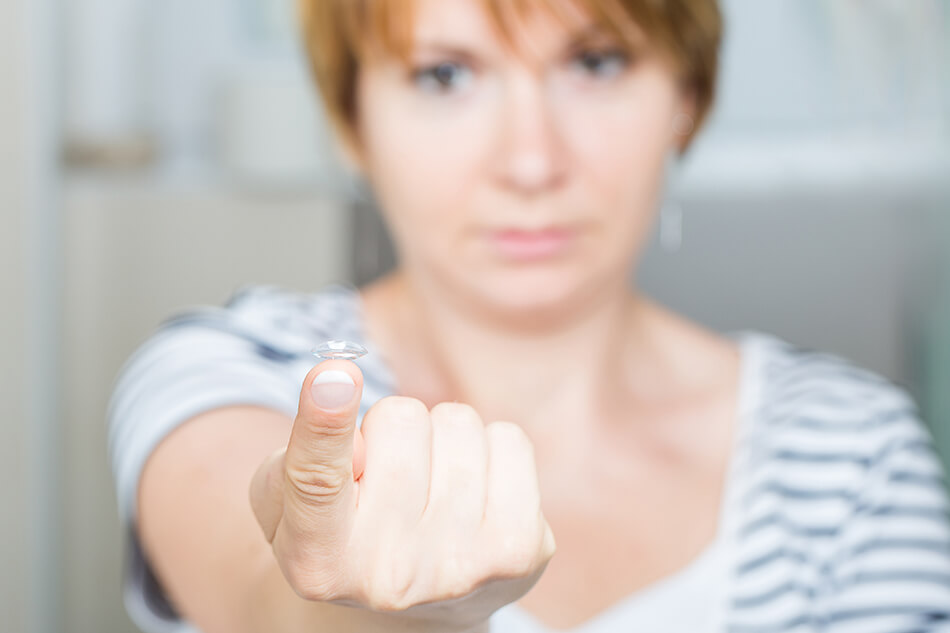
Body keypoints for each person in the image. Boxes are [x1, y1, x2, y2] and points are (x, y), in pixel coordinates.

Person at [107, 0, 950, 631]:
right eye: (445, 74)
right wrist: (372, 608)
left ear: (685, 99)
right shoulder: (228, 367)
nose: (531, 160)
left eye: (597, 63)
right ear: (351, 122)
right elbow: (259, 600)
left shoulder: (856, 452)